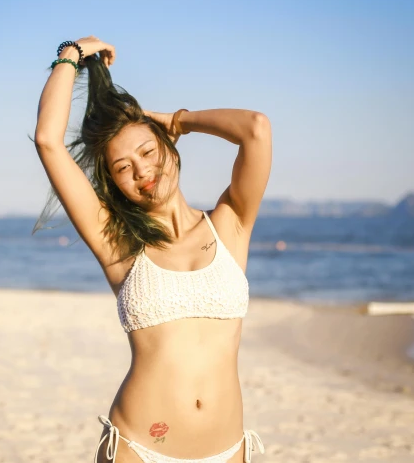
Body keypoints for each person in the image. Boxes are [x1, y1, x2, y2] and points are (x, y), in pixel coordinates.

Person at [33, 36, 272, 463]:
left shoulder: (230, 224)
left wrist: (179, 120)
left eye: (148, 151)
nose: (142, 170)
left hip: (228, 451)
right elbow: (48, 140)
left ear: (167, 146)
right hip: (140, 449)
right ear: (114, 184)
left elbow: (256, 128)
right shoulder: (118, 243)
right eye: (123, 168)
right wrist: (71, 53)